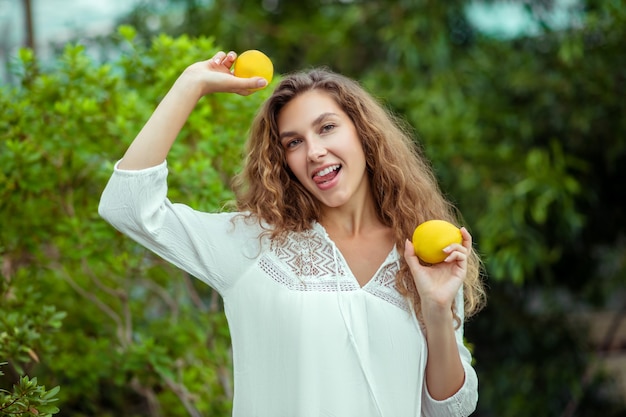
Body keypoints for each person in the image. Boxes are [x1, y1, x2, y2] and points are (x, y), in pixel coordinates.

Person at [98, 50, 487, 417]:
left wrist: (436, 310)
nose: (314, 151)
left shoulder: (421, 258)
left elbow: (448, 409)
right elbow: (127, 206)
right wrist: (190, 84)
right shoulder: (253, 244)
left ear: (364, 135)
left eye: (327, 128)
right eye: (294, 143)